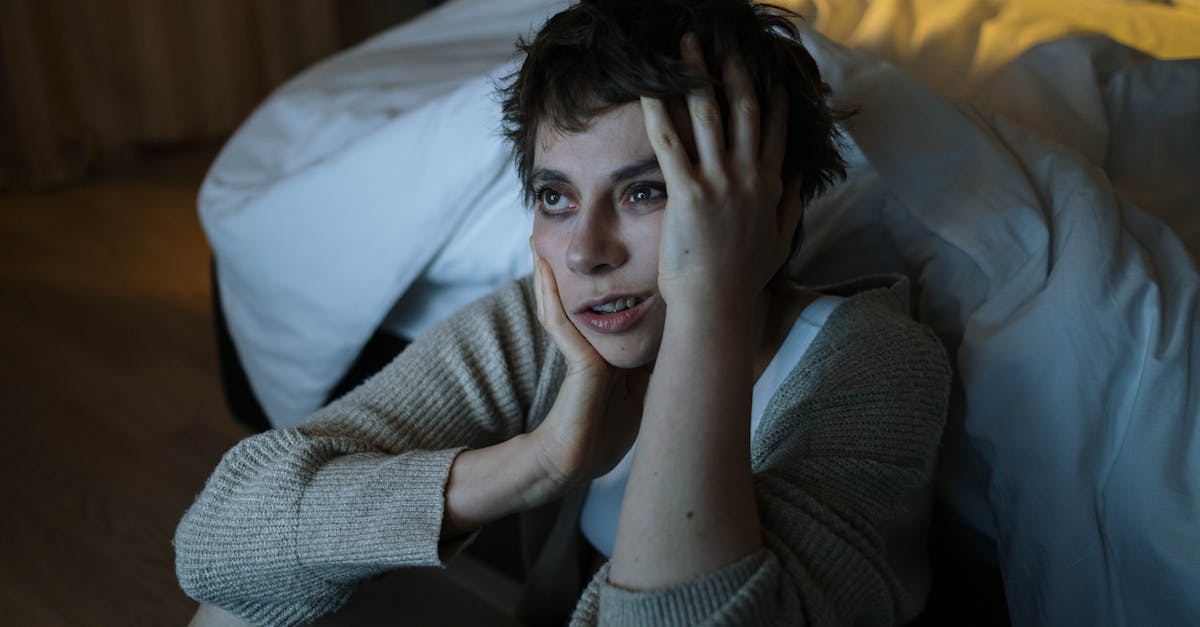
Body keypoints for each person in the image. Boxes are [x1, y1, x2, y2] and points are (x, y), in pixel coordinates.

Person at [175, 0, 951, 625]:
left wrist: (707, 302)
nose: (584, 251)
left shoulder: (875, 363)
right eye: (555, 196)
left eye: (646, 190)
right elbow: (216, 544)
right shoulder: (553, 324)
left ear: (767, 201)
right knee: (259, 596)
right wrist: (541, 461)